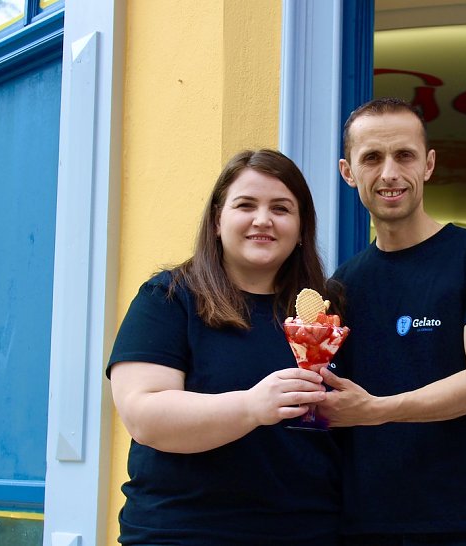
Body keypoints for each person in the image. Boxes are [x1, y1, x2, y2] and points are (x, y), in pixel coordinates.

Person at [319, 97, 466, 546]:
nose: (390, 173)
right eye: (372, 158)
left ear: (429, 164)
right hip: (364, 524)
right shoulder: (341, 284)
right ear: (348, 172)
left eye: (405, 155)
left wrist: (377, 410)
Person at [107, 149, 341, 545]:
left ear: (302, 228)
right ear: (218, 220)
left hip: (309, 531)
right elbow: (143, 415)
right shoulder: (169, 298)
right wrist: (252, 406)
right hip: (185, 532)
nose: (262, 219)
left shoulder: (327, 314)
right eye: (245, 205)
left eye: (281, 208)